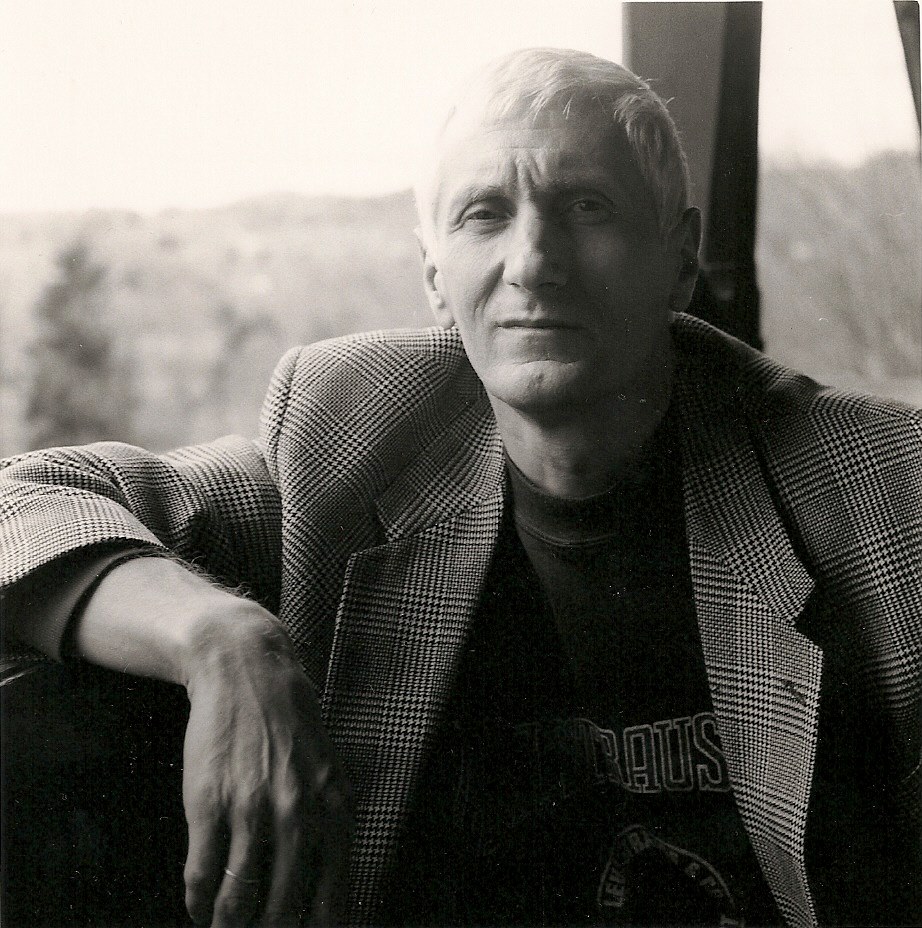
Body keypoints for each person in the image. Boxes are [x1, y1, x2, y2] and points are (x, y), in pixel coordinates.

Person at [1, 47, 920, 928]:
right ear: (434, 276)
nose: (534, 262)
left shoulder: (876, 484)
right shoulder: (348, 437)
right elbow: (25, 502)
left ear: (679, 258)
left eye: (588, 206)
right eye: (485, 213)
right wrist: (222, 640)